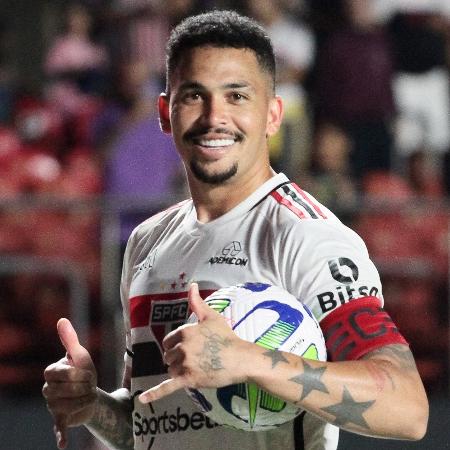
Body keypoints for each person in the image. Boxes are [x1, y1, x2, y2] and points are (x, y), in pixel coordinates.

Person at [43, 10, 429, 450]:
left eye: (237, 96)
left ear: (273, 115)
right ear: (165, 113)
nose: (214, 116)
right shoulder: (146, 242)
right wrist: (92, 407)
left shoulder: (304, 236)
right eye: (193, 96)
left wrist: (252, 361)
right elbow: (150, 424)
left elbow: (407, 406)